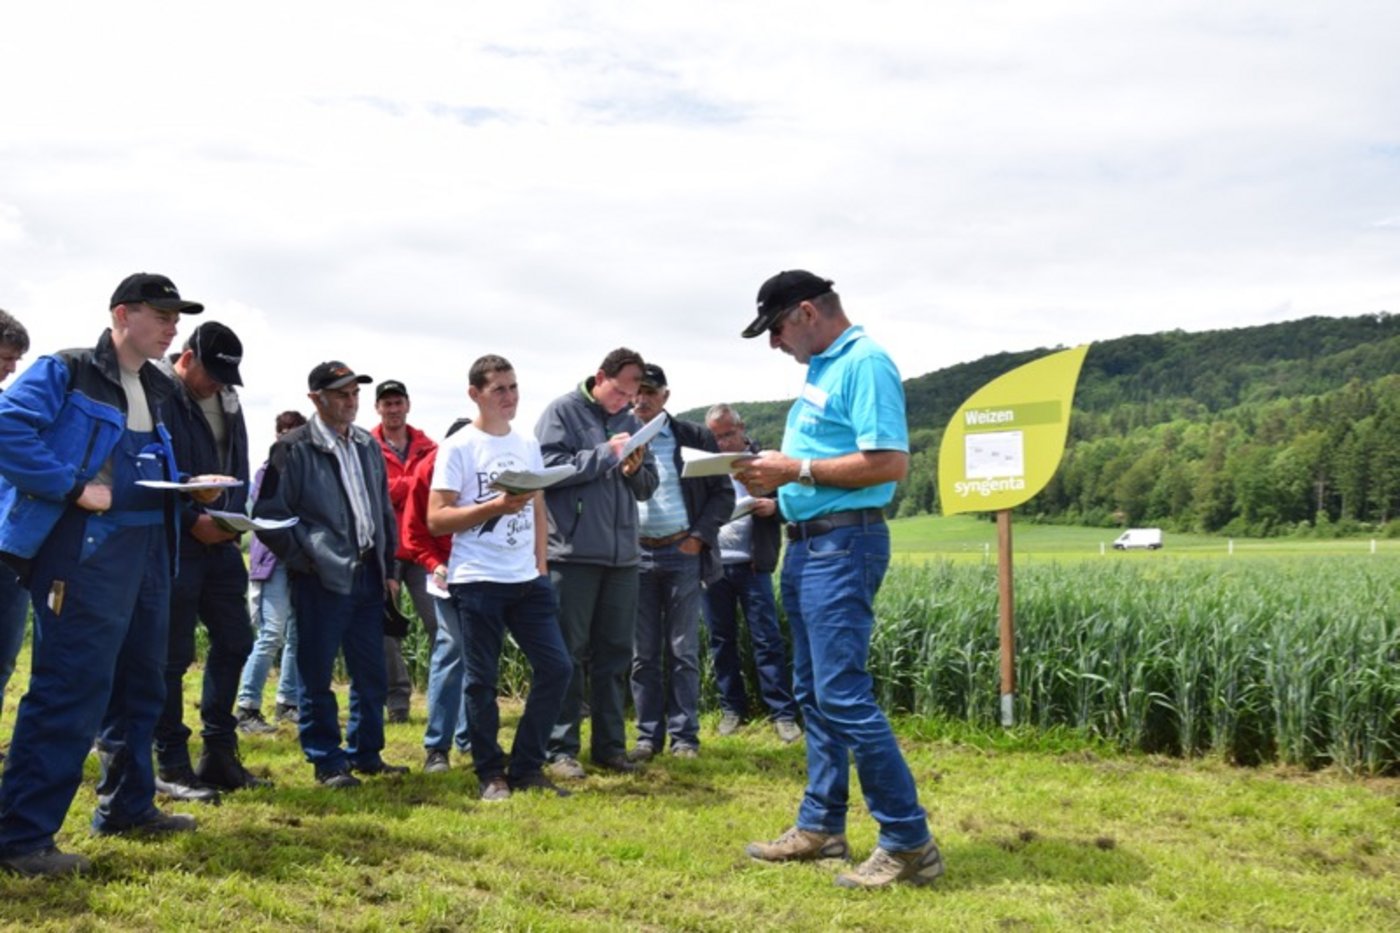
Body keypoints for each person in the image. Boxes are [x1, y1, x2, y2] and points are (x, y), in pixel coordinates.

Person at [736, 270, 944, 889]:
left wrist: (793, 466)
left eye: (775, 329)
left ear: (805, 312)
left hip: (842, 545)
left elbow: (889, 462)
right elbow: (826, 459)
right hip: (807, 547)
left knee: (845, 696)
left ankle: (909, 841)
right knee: (815, 695)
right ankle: (822, 826)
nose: (774, 344)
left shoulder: (865, 363)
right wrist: (779, 478)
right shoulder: (824, 368)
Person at [0, 273, 207, 877]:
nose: (174, 327)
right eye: (163, 314)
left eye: (177, 317)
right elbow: (7, 429)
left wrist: (194, 502)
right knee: (71, 689)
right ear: (123, 314)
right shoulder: (66, 370)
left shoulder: (159, 388)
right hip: (84, 555)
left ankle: (126, 806)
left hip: (149, 552)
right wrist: (69, 486)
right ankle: (21, 837)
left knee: (142, 684)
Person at [253, 361, 408, 788]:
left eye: (355, 393)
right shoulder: (292, 448)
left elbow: (381, 512)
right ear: (315, 399)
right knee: (316, 673)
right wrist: (308, 560)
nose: (351, 401)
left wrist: (389, 567)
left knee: (371, 670)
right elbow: (268, 517)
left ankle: (366, 753)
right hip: (321, 578)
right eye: (341, 393)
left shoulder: (365, 444)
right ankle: (327, 761)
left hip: (367, 575)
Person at [428, 355, 572, 800]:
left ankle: (527, 766)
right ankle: (490, 772)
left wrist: (542, 567)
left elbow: (539, 506)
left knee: (557, 668)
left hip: (527, 580)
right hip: (478, 579)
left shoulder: (526, 444)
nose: (510, 397)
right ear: (475, 394)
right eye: (499, 389)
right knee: (481, 680)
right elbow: (436, 519)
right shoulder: (459, 447)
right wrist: (494, 506)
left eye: (513, 387)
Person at [142, 322, 267, 801]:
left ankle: (218, 752)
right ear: (187, 357)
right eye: (211, 373)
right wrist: (192, 516)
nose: (218, 384)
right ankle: (171, 762)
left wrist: (232, 520)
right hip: (175, 540)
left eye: (226, 377)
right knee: (172, 656)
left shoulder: (229, 399)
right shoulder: (156, 390)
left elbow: (237, 465)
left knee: (237, 640)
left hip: (221, 542)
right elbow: (150, 463)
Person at [535, 347, 658, 778]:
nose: (624, 401)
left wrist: (633, 469)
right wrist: (606, 454)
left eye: (631, 395)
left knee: (615, 654)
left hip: (623, 555)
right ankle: (559, 749)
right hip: (572, 553)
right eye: (619, 392)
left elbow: (647, 486)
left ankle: (609, 747)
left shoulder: (632, 421)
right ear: (599, 377)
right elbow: (547, 471)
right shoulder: (561, 412)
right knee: (568, 654)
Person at [627, 364, 732, 761]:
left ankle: (684, 737)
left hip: (682, 552)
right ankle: (646, 737)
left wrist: (698, 538)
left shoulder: (694, 436)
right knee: (643, 653)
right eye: (636, 390)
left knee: (683, 649)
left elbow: (722, 493)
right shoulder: (621, 437)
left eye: (650, 391)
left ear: (665, 396)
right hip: (636, 555)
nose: (641, 398)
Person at [702, 403, 801, 742]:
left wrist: (774, 508)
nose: (723, 442)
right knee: (720, 640)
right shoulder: (707, 467)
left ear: (742, 428)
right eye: (716, 437)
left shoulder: (766, 461)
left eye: (728, 434)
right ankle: (732, 709)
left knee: (767, 640)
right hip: (715, 566)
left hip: (754, 564)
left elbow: (793, 505)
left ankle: (783, 714)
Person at [400, 417, 472, 773]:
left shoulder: (490, 466)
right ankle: (437, 748)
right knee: (451, 647)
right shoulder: (429, 469)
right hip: (445, 572)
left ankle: (472, 738)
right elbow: (413, 531)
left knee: (479, 652)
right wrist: (434, 564)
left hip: (487, 574)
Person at [235, 410, 309, 734]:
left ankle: (287, 703)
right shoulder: (268, 471)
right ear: (278, 434)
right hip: (271, 564)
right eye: (286, 432)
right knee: (270, 635)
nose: (291, 438)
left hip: (298, 562)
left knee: (296, 636)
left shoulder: (307, 473)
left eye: (297, 432)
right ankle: (247, 708)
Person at [371, 379, 437, 724]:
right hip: (385, 548)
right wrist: (412, 485)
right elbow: (375, 494)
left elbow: (437, 494)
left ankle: (444, 696)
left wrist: (399, 489)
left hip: (422, 548)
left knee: (438, 622)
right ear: (377, 409)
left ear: (407, 405)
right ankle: (397, 703)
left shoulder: (429, 447)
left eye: (398, 403)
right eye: (386, 404)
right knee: (387, 630)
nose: (393, 409)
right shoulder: (366, 446)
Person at [0, 309, 31, 752]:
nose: (11, 369)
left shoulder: (11, 411)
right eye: (6, 358)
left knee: (5, 654)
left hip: (10, 546)